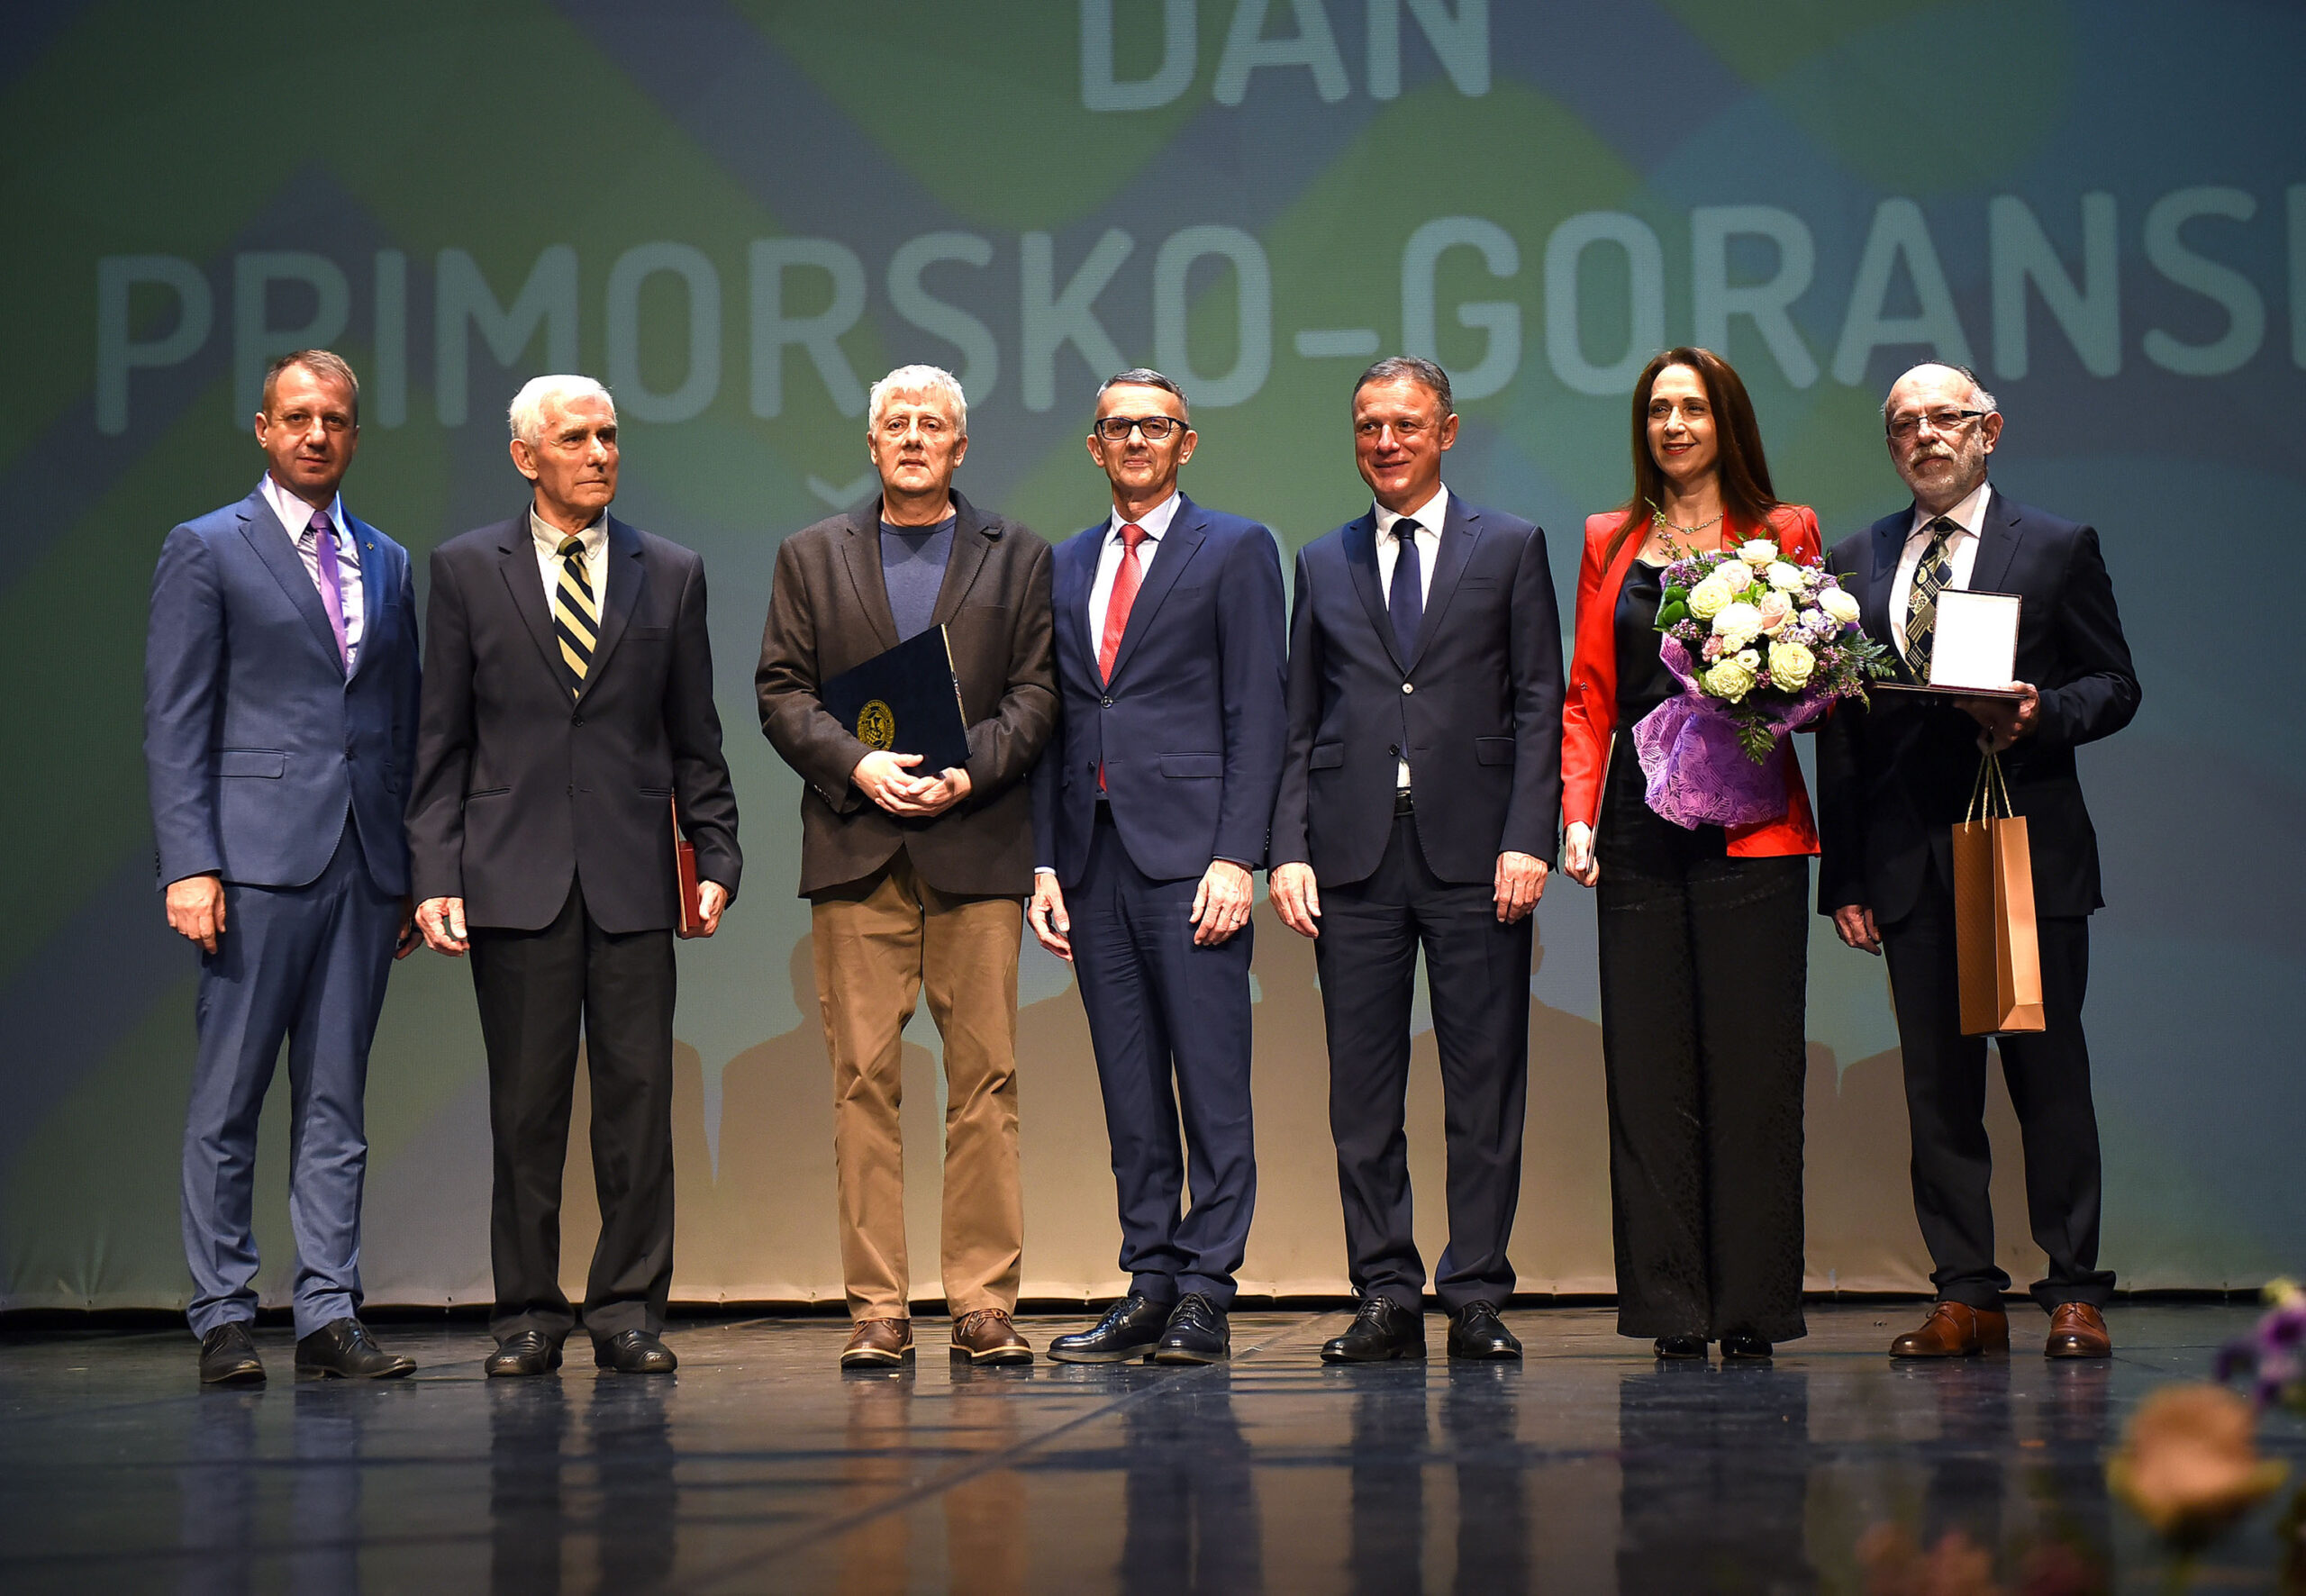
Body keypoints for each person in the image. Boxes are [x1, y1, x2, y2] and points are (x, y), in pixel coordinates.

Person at [407, 374, 740, 1377]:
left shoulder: (669, 571)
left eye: (608, 436)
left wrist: (716, 854)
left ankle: (629, 1305)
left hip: (636, 876)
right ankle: (526, 1313)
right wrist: (434, 868)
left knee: (637, 1101)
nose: (600, 453)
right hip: (513, 877)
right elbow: (441, 740)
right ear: (526, 456)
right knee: (527, 1106)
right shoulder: (467, 570)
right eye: (576, 438)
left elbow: (696, 736)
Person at [1817, 362, 2138, 1360]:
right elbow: (1839, 729)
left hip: (2021, 848)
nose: (1925, 436)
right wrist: (1847, 876)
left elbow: (2114, 682)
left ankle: (2074, 1287)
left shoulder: (2051, 546)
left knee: (2046, 1072)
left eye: (1944, 418)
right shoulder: (1856, 557)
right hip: (1910, 858)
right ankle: (1966, 1292)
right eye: (1904, 424)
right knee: (1937, 1086)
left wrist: (2043, 716)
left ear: (1988, 429)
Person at [757, 364, 1057, 1369]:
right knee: (862, 1082)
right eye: (897, 422)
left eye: (933, 424)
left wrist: (969, 771)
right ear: (873, 443)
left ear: (960, 448)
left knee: (987, 1082)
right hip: (858, 844)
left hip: (976, 845)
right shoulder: (810, 554)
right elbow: (781, 691)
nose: (915, 436)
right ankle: (877, 1308)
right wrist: (859, 763)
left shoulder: (1017, 555)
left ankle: (980, 1301)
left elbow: (1038, 693)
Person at [1269, 355, 1564, 1364]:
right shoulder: (1320, 558)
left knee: (1483, 1083)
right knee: (1361, 1089)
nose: (1383, 442)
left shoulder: (1512, 546)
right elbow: (1297, 720)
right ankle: (1385, 1290)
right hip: (1351, 857)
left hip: (1479, 852)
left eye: (1403, 424)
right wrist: (1286, 848)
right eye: (1366, 426)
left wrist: (1529, 832)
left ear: (1446, 430)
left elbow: (1536, 701)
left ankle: (1475, 1289)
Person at [144, 349, 422, 1384]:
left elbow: (402, 721)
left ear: (354, 433)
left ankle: (325, 1312)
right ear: (262, 428)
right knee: (231, 1095)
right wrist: (190, 862)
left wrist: (406, 863)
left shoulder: (388, 560)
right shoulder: (208, 548)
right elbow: (176, 720)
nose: (317, 433)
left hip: (361, 860)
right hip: (251, 862)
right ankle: (222, 1311)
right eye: (297, 416)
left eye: (336, 419)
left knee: (337, 1098)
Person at [1558, 347, 1823, 1363]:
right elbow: (1589, 690)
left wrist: (1770, 685)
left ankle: (1751, 1307)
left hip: (1750, 821)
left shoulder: (1783, 528)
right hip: (1633, 818)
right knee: (1648, 1066)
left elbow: (1818, 681)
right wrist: (1577, 815)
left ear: (1727, 421)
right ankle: (1672, 1308)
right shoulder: (1609, 536)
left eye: (1693, 407)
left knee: (1753, 1068)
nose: (1674, 424)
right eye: (1659, 408)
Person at [1028, 369, 1287, 1365]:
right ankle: (1148, 1277)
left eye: (1154, 426)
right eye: (1116, 427)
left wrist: (1238, 853)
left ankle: (1205, 1288)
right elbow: (1054, 722)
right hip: (1091, 857)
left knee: (1212, 1081)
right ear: (1094, 447)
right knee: (1127, 1085)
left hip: (1192, 857)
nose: (1135, 439)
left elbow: (1257, 709)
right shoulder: (1062, 563)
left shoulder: (1234, 547)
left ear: (1187, 443)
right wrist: (1044, 863)